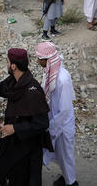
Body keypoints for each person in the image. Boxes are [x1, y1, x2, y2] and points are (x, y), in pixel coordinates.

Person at [0, 48, 50, 186]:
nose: (6, 64)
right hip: (15, 143)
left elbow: (42, 123)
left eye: (7, 61)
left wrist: (15, 128)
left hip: (27, 148)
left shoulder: (32, 90)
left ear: (13, 66)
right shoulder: (14, 81)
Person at [36, 42, 77, 186]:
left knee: (66, 156)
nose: (37, 61)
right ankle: (66, 177)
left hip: (62, 124)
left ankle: (71, 182)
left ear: (47, 60)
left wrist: (51, 127)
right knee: (59, 155)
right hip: (54, 120)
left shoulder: (62, 79)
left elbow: (64, 109)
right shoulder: (51, 72)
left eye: (39, 58)